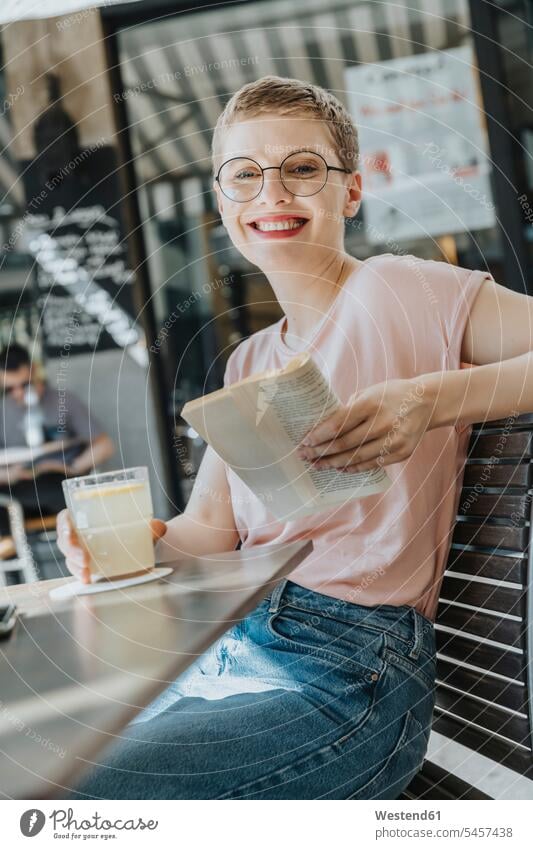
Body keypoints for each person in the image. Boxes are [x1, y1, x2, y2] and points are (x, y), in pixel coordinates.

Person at [57, 75, 533, 799]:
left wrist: (429, 398)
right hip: (239, 647)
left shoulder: (398, 288)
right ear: (222, 204)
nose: (271, 194)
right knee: (42, 763)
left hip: (346, 672)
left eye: (302, 169)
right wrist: (123, 544)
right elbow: (207, 532)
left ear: (349, 192)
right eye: (243, 175)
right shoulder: (250, 359)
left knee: (69, 796)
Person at [0, 344, 114, 531]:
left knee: (70, 497)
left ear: (34, 371)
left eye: (24, 385)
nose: (18, 393)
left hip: (61, 482)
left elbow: (104, 446)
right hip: (19, 489)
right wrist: (9, 474)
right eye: (10, 389)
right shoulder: (3, 411)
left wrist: (72, 467)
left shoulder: (64, 400)